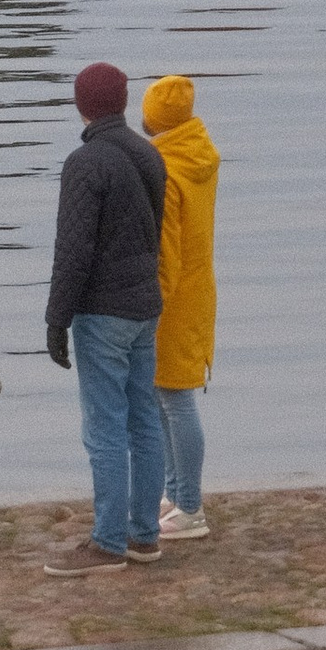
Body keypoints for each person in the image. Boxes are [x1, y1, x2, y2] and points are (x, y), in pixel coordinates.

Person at [45, 59, 168, 568]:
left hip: (103, 312)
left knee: (105, 428)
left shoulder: (86, 163)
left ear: (82, 105)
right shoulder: (149, 155)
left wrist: (57, 318)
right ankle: (144, 535)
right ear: (122, 101)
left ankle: (108, 542)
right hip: (145, 306)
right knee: (145, 421)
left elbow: (73, 249)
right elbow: (152, 230)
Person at [142, 74, 221, 540]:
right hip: (200, 290)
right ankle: (173, 494)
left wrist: (151, 302)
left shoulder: (167, 172)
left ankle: (190, 505)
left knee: (174, 397)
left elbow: (165, 251)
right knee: (164, 394)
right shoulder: (200, 154)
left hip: (173, 299)